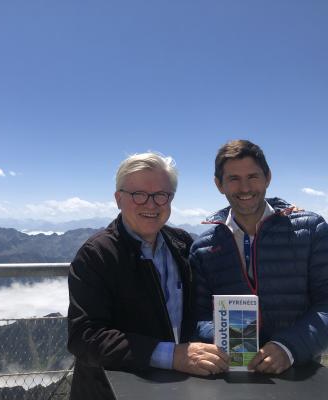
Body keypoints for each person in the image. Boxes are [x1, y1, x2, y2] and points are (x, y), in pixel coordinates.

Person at [68, 152, 228, 400]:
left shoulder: (182, 244)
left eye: (161, 195)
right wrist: (173, 356)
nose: (151, 204)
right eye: (138, 195)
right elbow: (85, 337)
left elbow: (201, 306)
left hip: (175, 388)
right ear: (119, 199)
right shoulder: (97, 255)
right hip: (110, 392)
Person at [190, 139, 328, 374]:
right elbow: (199, 314)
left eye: (253, 176)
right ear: (218, 184)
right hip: (232, 371)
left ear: (268, 177)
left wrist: (288, 348)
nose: (245, 188)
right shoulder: (203, 248)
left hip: (300, 371)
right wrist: (225, 340)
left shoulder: (311, 230)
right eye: (233, 179)